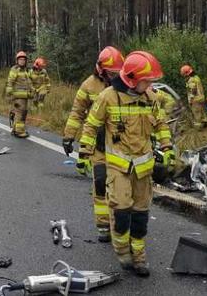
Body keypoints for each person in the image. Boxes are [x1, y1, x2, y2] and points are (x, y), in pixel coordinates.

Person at [79, 51, 175, 277]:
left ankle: (139, 257)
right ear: (132, 78)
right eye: (147, 80)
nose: (150, 84)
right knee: (121, 211)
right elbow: (91, 126)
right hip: (118, 168)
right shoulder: (108, 97)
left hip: (143, 168)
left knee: (140, 215)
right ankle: (122, 251)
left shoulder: (150, 98)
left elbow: (161, 124)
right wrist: (84, 153)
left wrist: (167, 147)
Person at [62, 46, 125, 242]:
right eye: (111, 72)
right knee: (100, 182)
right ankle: (103, 224)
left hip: (121, 144)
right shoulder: (89, 86)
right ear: (100, 69)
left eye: (117, 71)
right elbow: (77, 113)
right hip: (98, 144)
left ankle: (124, 226)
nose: (113, 75)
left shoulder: (125, 85)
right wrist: (68, 136)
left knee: (123, 186)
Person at [6, 51, 34, 138]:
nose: (22, 61)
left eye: (23, 59)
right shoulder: (15, 69)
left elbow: (30, 82)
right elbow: (10, 81)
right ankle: (19, 132)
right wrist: (10, 92)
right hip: (17, 96)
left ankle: (16, 129)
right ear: (17, 61)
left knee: (23, 112)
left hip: (25, 96)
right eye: (20, 59)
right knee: (20, 113)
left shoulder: (26, 71)